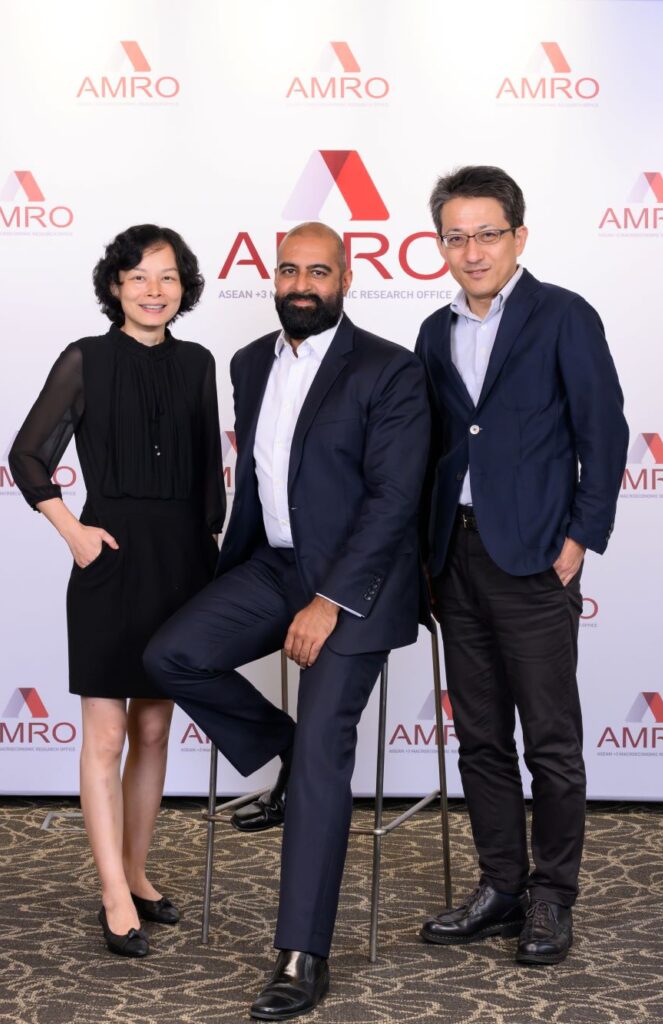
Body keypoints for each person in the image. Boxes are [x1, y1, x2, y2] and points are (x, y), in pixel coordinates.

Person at [144, 222, 428, 1020]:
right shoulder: (248, 363)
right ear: (274, 277)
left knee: (326, 749)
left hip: (357, 586)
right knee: (172, 654)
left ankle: (302, 956)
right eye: (290, 270)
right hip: (273, 567)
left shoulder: (389, 369)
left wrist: (330, 600)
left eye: (319, 271)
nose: (302, 285)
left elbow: (393, 501)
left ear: (347, 277)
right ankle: (288, 752)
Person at [413, 166, 628, 966]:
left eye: (487, 234)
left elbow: (604, 433)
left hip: (536, 557)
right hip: (455, 557)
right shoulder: (433, 333)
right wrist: (424, 556)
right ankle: (501, 886)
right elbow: (433, 447)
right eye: (456, 237)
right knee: (479, 739)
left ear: (519, 237)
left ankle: (552, 896)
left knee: (550, 742)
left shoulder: (564, 316)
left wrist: (579, 540)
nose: (472, 251)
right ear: (441, 245)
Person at [8, 224, 224, 959]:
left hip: (182, 563)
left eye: (167, 278)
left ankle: (136, 871)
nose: (153, 291)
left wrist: (214, 562)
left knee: (155, 730)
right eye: (138, 277)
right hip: (109, 558)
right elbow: (27, 454)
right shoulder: (86, 359)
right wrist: (72, 530)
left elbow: (208, 475)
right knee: (105, 734)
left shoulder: (199, 362)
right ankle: (111, 892)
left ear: (183, 288)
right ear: (114, 287)